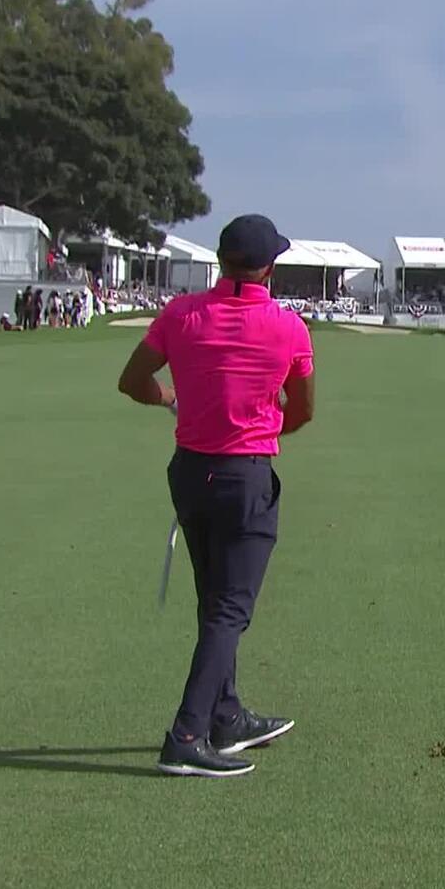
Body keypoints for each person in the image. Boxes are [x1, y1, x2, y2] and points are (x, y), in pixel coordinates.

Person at [118, 214, 315, 779]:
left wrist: (168, 400)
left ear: (221, 260)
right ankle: (186, 733)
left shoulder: (182, 315)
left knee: (213, 602)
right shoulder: (287, 327)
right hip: (244, 475)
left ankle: (225, 716)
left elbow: (132, 381)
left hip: (190, 473)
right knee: (230, 610)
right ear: (270, 267)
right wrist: (268, 421)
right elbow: (301, 410)